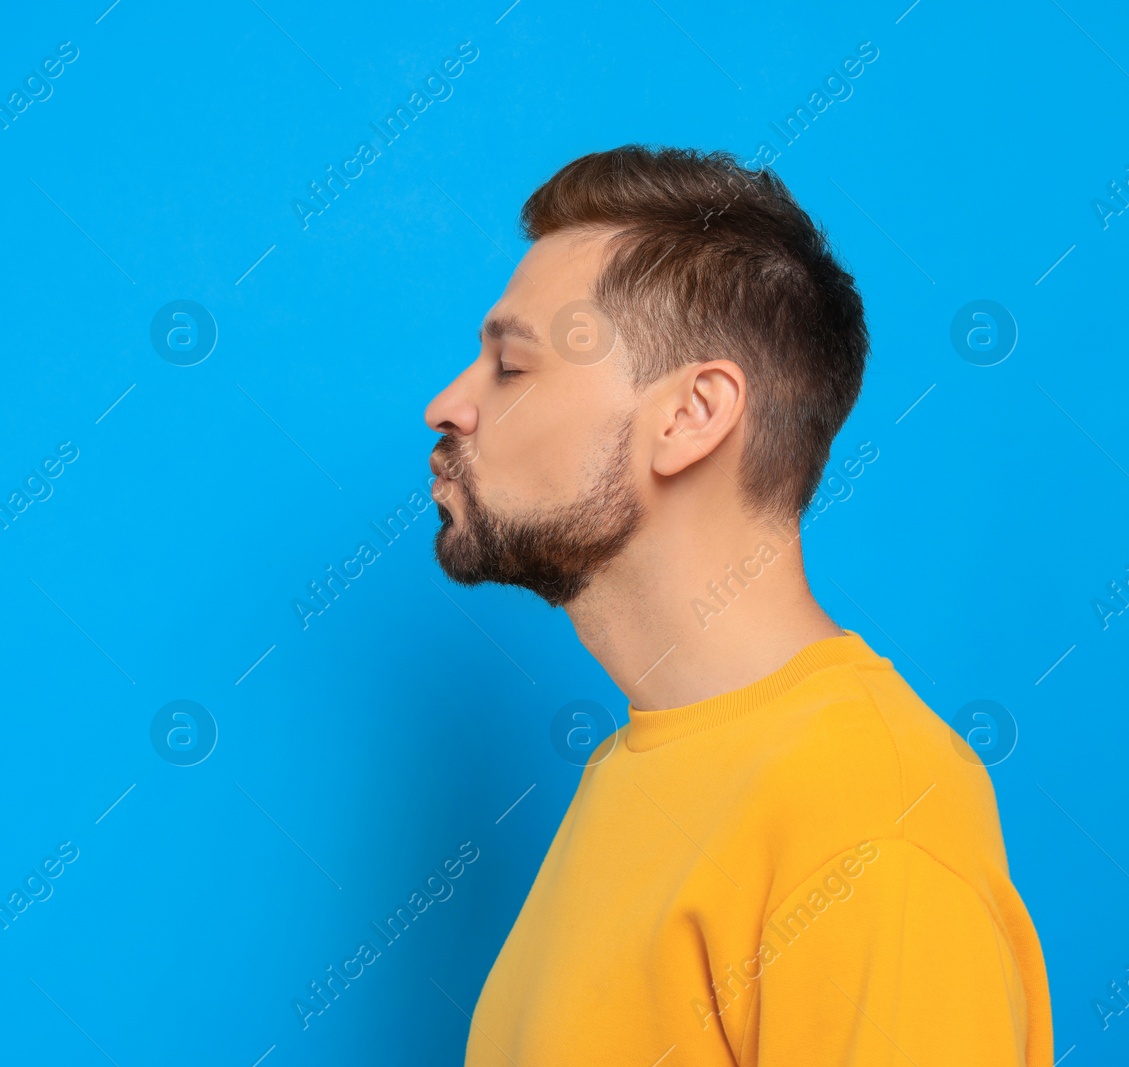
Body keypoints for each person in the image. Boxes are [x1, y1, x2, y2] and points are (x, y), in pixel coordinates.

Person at [423, 145, 1051, 1066]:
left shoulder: (868, 820)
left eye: (510, 368)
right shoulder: (639, 763)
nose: (448, 405)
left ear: (688, 417)